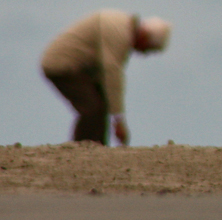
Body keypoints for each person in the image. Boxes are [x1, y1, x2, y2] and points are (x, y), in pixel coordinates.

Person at [40, 10, 171, 146]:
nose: (144, 54)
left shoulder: (122, 28)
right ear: (145, 37)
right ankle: (81, 149)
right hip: (62, 65)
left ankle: (96, 146)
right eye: (148, 49)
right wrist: (118, 120)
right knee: (92, 107)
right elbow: (112, 72)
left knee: (99, 104)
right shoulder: (120, 33)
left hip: (78, 67)